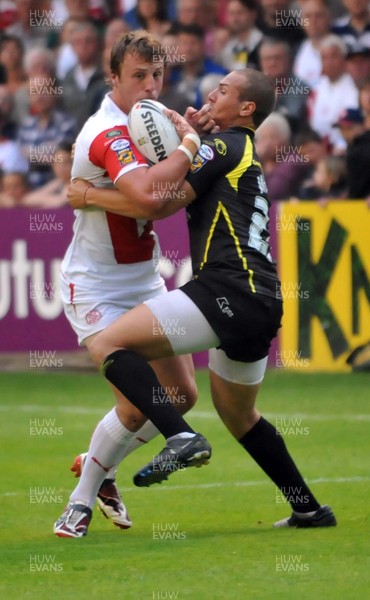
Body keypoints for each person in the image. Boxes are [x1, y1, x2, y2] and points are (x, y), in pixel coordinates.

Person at [56, 67, 337, 538]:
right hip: (264, 299)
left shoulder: (221, 146)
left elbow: (158, 202)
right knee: (239, 415)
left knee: (108, 343)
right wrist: (184, 140)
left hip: (227, 289)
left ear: (247, 109)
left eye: (223, 90)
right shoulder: (235, 147)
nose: (211, 93)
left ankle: (181, 437)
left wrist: (89, 194)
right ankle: (308, 508)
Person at [53, 30, 216, 538]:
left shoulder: (160, 122)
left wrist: (93, 197)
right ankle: (79, 504)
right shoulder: (107, 131)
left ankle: (98, 464)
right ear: (114, 79)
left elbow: (169, 200)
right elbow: (151, 199)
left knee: (182, 393)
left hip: (144, 279)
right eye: (137, 76)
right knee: (136, 399)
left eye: (156, 75)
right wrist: (191, 145)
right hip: (96, 284)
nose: (149, 85)